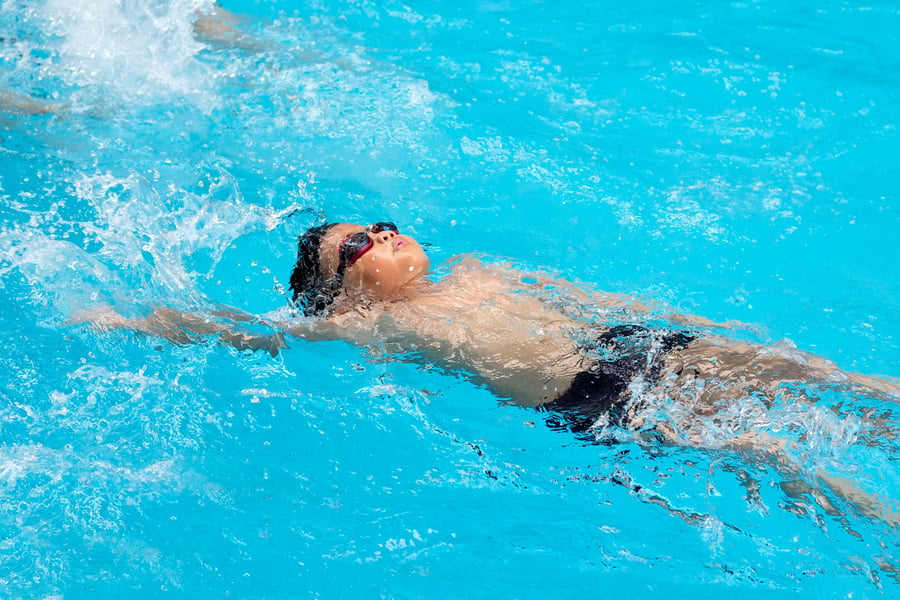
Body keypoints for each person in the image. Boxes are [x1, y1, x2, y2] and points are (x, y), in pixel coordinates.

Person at [82, 220, 900, 523]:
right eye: (358, 246)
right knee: (775, 455)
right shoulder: (368, 330)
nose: (383, 235)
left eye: (379, 225)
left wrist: (681, 331)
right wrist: (132, 319)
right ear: (342, 292)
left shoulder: (479, 270)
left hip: (627, 343)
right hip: (592, 398)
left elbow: (598, 299)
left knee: (805, 373)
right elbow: (254, 335)